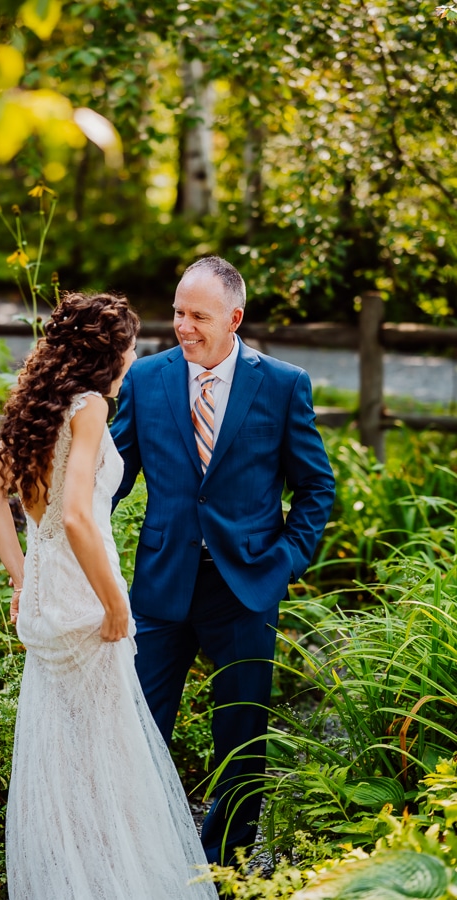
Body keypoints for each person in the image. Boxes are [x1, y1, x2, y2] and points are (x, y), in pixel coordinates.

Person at [0, 292, 218, 900]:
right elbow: (80, 517)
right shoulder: (84, 408)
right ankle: (110, 882)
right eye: (131, 346)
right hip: (86, 605)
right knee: (106, 759)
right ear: (107, 354)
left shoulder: (34, 404)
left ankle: (69, 876)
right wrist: (115, 603)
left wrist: (23, 579)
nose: (136, 356)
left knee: (62, 754)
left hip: (45, 605)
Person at [111, 257, 336, 865]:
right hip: (161, 583)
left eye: (198, 316)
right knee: (138, 726)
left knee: (240, 738)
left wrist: (286, 560)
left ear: (234, 318)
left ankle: (225, 867)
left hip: (246, 586)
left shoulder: (284, 384)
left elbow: (317, 487)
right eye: (178, 312)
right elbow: (113, 476)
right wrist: (77, 544)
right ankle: (146, 855)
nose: (183, 326)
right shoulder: (146, 379)